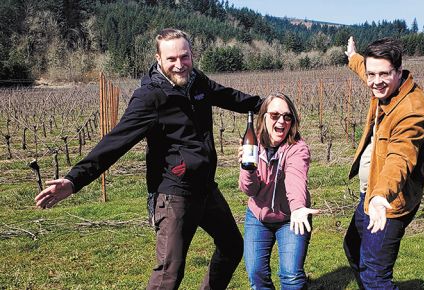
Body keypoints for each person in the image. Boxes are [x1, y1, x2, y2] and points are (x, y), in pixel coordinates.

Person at [35, 28, 263, 290]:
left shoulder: (197, 81)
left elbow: (229, 97)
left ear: (192, 54)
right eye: (172, 59)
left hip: (205, 189)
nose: (180, 65)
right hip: (174, 194)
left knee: (232, 246)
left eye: (184, 57)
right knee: (169, 274)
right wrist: (74, 180)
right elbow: (115, 142)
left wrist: (267, 105)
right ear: (158, 59)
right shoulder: (150, 98)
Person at [343, 36, 424, 289]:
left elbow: (401, 156)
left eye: (383, 74)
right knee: (352, 247)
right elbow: (366, 69)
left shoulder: (413, 110)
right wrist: (353, 57)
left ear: (399, 70)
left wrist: (381, 197)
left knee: (374, 275)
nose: (375, 81)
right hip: (370, 193)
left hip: (389, 202)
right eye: (372, 74)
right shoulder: (383, 87)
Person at [238, 93, 319, 290]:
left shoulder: (298, 149)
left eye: (287, 116)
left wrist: (299, 207)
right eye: (274, 115)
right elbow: (250, 189)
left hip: (291, 218)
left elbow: (295, 177)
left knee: (291, 276)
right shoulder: (251, 144)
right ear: (263, 117)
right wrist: (247, 169)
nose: (281, 121)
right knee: (256, 274)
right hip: (258, 217)